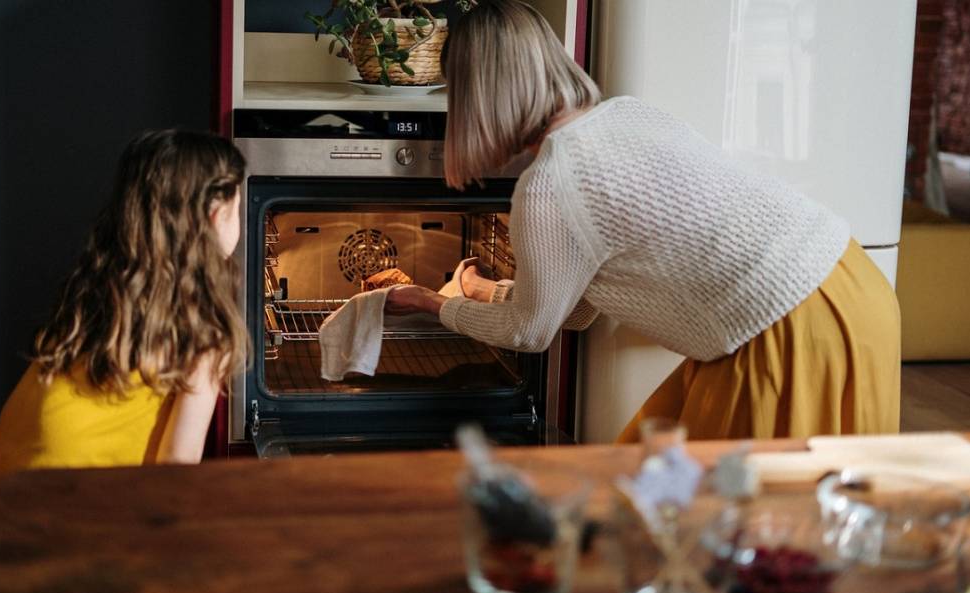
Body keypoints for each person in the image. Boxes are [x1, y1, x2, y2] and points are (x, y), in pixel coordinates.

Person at [384, 0, 900, 441]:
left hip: (785, 334)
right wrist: (477, 291)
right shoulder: (630, 114)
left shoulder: (549, 184)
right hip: (852, 288)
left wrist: (434, 304)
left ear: (478, 96)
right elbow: (577, 308)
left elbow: (530, 332)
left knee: (743, 525)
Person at [0, 129, 248, 565]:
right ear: (214, 214)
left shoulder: (99, 288)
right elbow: (177, 465)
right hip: (87, 523)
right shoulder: (204, 329)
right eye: (239, 206)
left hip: (12, 504)